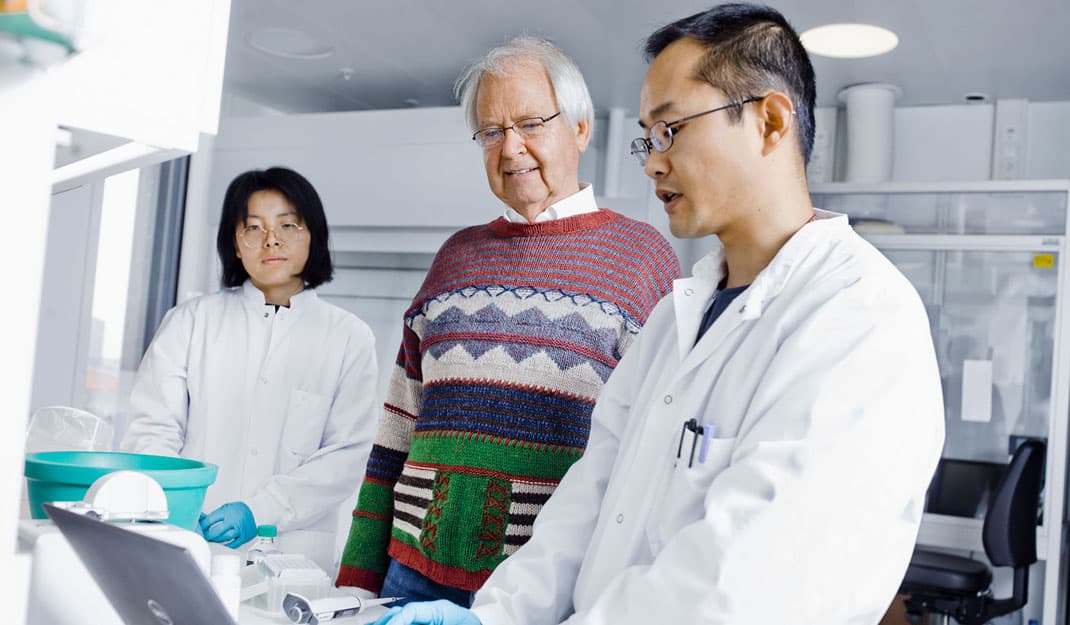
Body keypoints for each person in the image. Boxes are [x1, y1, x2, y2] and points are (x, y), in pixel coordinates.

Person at [369, 5, 945, 625]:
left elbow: (745, 587)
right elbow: (586, 507)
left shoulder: (860, 317)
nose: (651, 161)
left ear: (770, 121)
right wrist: (496, 616)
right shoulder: (678, 318)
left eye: (672, 130)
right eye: (649, 136)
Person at [335, 36, 680, 606]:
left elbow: (648, 468)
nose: (510, 147)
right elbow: (394, 437)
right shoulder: (454, 257)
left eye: (530, 123)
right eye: (491, 131)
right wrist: (354, 583)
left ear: (580, 129)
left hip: (542, 593)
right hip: (406, 576)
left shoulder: (643, 261)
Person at [121, 166, 379, 573]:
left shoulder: (349, 337)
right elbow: (152, 432)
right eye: (253, 228)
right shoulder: (191, 322)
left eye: (288, 225)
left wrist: (260, 511)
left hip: (292, 560)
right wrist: (182, 509)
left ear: (314, 236)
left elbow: (346, 456)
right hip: (190, 544)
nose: (271, 240)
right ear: (235, 245)